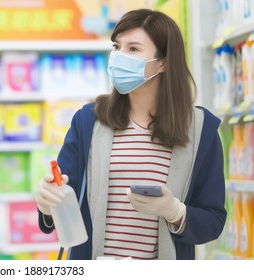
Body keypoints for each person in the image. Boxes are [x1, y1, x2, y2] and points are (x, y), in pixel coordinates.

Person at [35, 9, 226, 260]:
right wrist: (46, 203)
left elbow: (213, 220)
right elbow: (62, 199)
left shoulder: (201, 129)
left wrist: (175, 212)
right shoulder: (88, 121)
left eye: (133, 49)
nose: (119, 57)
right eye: (117, 47)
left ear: (163, 62)